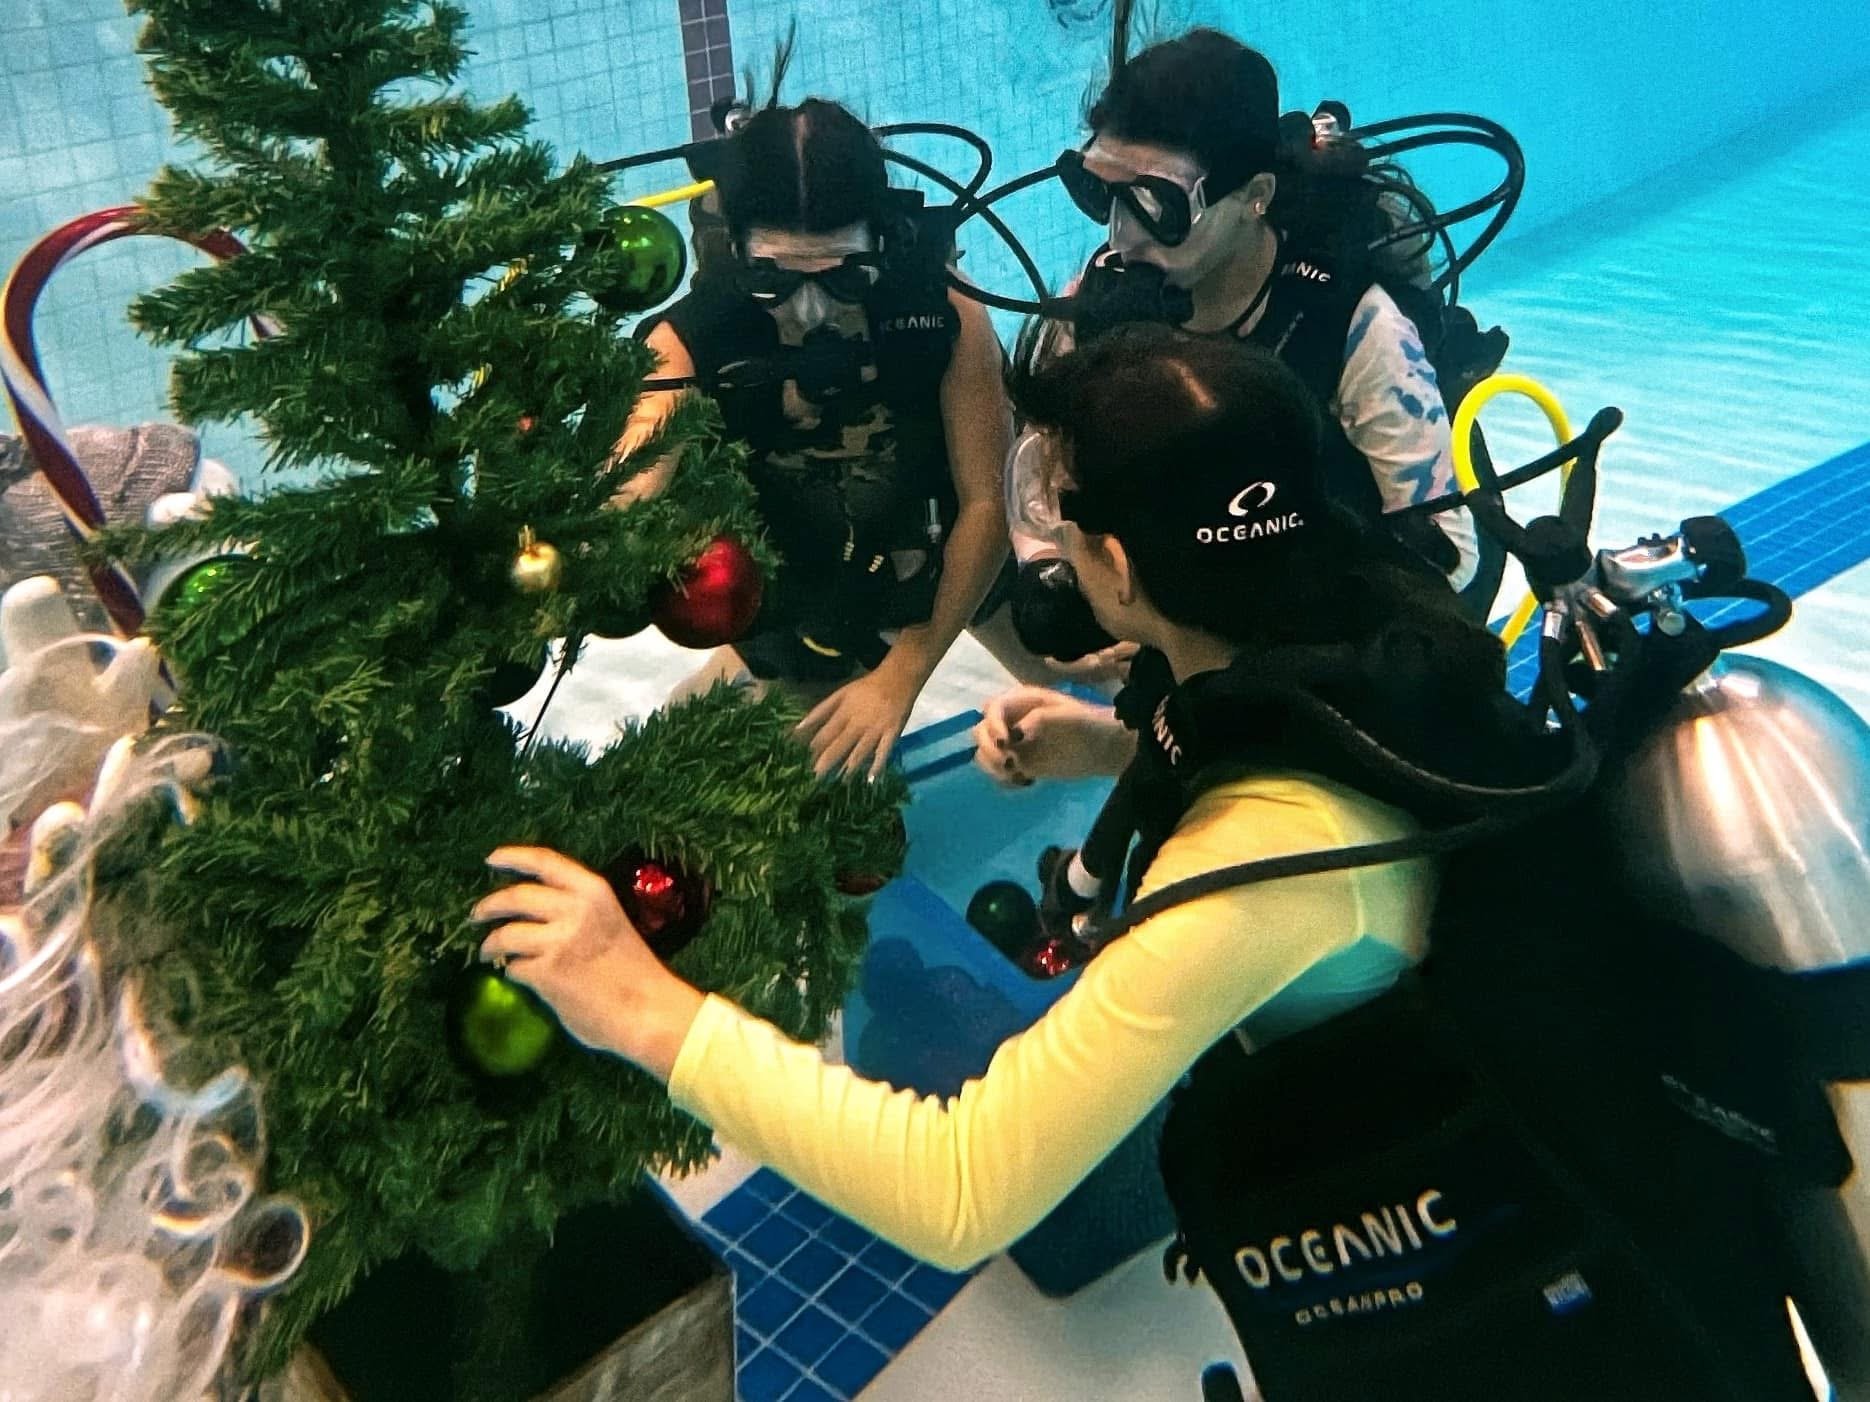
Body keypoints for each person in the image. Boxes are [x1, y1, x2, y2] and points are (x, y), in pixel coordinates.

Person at [613, 83, 1053, 780]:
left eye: (847, 278)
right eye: (776, 281)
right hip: (811, 576)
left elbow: (984, 504)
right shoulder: (692, 338)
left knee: (1092, 663)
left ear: (881, 243)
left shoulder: (944, 313)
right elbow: (629, 478)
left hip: (941, 540)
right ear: (736, 252)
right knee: (783, 767)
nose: (813, 312)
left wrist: (904, 674)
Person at [1008, 28, 1482, 607]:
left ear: (1256, 194)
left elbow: (1450, 556)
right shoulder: (1097, 302)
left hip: (1334, 606)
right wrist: (1056, 577)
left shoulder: (1350, 327)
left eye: (1156, 206)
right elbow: (1039, 487)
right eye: (1100, 193)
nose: (1122, 239)